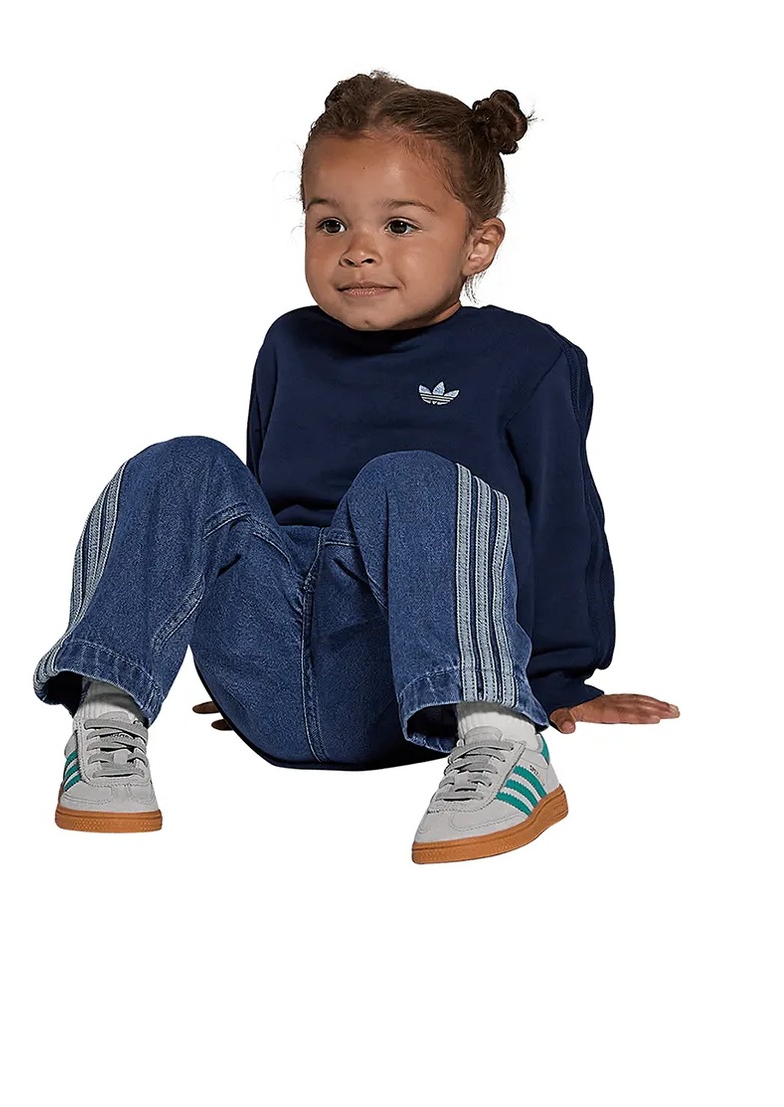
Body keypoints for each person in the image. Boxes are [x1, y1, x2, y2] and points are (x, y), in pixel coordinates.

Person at [33, 68, 679, 861]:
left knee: (413, 476)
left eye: (399, 225)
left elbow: (563, 527)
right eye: (330, 223)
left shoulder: (529, 359)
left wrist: (559, 679)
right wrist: (260, 660)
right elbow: (249, 513)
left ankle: (501, 737)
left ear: (477, 243)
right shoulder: (289, 344)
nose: (359, 250)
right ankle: (107, 716)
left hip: (419, 680)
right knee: (185, 464)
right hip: (271, 668)